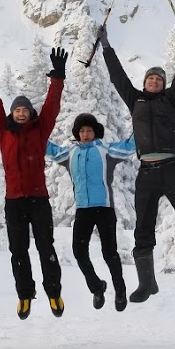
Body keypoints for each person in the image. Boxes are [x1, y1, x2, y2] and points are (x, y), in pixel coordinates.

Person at [99, 25, 175, 301]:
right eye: (150, 79)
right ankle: (147, 284)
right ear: (144, 83)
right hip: (147, 173)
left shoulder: (171, 99)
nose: (154, 82)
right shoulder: (135, 100)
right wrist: (106, 48)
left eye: (158, 79)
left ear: (163, 84)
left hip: (171, 170)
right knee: (143, 228)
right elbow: (118, 78)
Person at [0, 46, 67, 319]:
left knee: (45, 247)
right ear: (12, 114)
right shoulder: (3, 133)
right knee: (18, 250)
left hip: (39, 200)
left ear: (30, 113)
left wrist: (57, 78)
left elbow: (52, 107)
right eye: (17, 110)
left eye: (25, 109)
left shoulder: (40, 130)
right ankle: (25, 296)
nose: (21, 112)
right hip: (14, 201)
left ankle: (53, 293)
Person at [46, 112, 135, 310]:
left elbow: (130, 146)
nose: (85, 134)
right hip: (83, 210)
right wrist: (34, 130)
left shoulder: (106, 151)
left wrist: (144, 122)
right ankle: (97, 287)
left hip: (104, 208)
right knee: (79, 252)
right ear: (77, 134)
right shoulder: (70, 153)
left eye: (89, 130)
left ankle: (120, 291)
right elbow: (50, 149)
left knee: (109, 252)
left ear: (95, 132)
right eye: (82, 131)